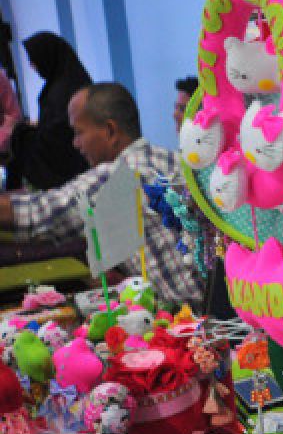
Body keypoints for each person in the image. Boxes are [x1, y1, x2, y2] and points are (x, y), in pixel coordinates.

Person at [0, 83, 203, 309]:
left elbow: (38, 214)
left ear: (110, 131)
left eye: (78, 132)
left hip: (196, 318)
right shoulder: (172, 160)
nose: (76, 144)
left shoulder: (119, 175)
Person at [7, 32, 90, 189]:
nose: (32, 66)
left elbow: (60, 132)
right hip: (71, 151)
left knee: (18, 136)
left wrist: (26, 130)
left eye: (34, 60)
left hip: (66, 159)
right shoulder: (72, 79)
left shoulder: (61, 91)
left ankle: (12, 196)